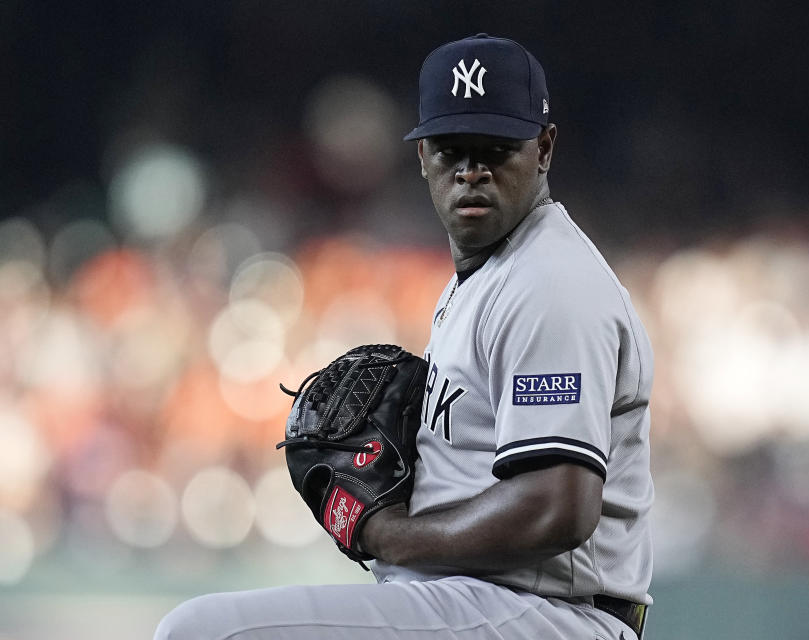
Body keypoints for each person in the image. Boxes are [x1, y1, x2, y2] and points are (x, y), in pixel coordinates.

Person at [155, 33, 654, 640]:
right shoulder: (489, 274)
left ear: (543, 148)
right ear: (422, 158)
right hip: (487, 603)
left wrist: (391, 533)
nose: (471, 171)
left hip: (548, 614)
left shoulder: (550, 283)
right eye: (451, 150)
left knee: (200, 632)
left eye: (495, 148)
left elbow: (558, 507)